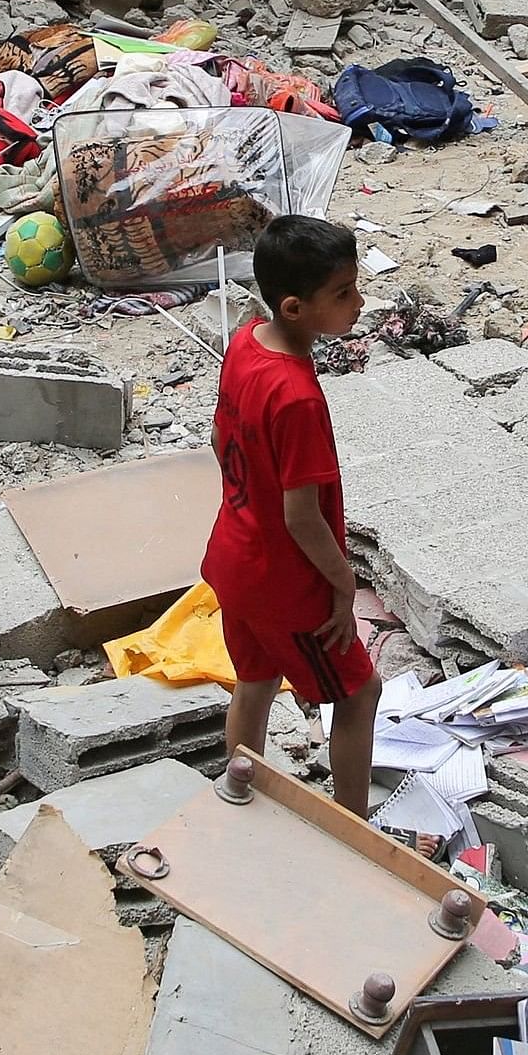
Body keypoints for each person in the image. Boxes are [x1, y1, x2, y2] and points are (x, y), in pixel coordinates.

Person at [203, 214, 382, 813]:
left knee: (253, 683)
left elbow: (216, 438)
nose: (358, 303)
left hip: (233, 557)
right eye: (342, 294)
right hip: (285, 581)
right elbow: (302, 516)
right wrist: (342, 580)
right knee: (358, 693)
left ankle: (238, 795)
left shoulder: (246, 340)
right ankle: (355, 826)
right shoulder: (298, 397)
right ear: (295, 307)